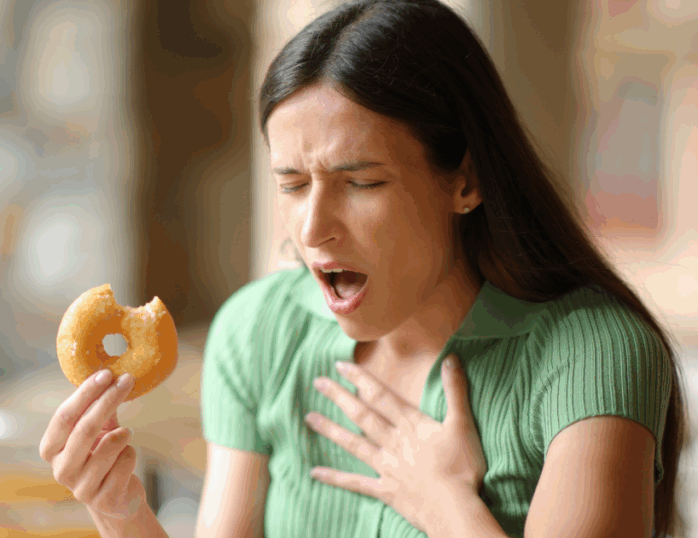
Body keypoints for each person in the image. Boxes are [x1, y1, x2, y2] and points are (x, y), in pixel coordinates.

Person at [38, 0, 688, 536]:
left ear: (466, 178)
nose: (314, 227)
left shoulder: (593, 356)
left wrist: (446, 505)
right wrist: (121, 511)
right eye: (292, 184)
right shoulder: (259, 331)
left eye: (361, 182)